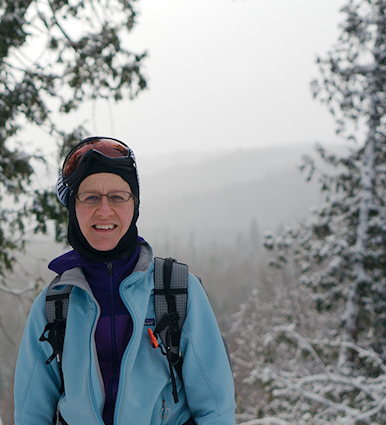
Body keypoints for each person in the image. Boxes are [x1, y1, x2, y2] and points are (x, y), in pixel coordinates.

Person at [14, 137, 235, 425]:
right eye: (90, 197)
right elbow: (31, 416)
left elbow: (215, 409)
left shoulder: (177, 291)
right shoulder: (54, 307)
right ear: (72, 208)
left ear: (134, 206)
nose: (104, 210)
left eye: (118, 197)